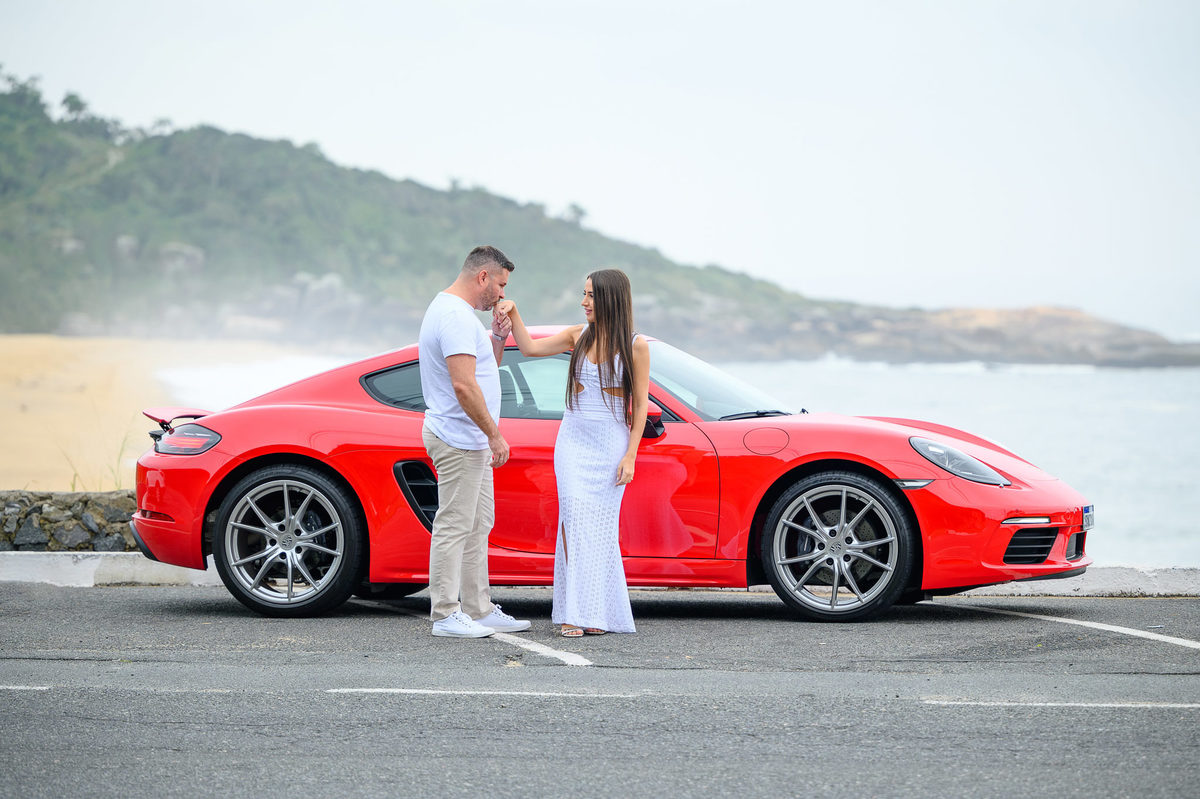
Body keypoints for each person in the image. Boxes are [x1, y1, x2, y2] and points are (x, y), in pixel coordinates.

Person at [494, 269, 649, 637]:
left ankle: (597, 613)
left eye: (591, 295)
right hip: (573, 442)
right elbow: (530, 347)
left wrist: (631, 455)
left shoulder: (636, 345)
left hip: (611, 443)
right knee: (574, 522)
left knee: (600, 530)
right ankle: (573, 612)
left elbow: (640, 405)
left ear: (611, 298)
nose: (584, 302)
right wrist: (514, 315)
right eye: (584, 294)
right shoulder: (576, 336)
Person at [418, 245, 531, 638]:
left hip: (469, 439)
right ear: (482, 277)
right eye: (500, 284)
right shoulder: (453, 316)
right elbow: (464, 386)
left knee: (479, 522)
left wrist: (499, 339)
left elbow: (483, 372)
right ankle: (446, 615)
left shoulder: (461, 316)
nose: (501, 294)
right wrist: (494, 435)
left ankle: (479, 609)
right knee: (454, 524)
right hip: (459, 438)